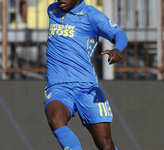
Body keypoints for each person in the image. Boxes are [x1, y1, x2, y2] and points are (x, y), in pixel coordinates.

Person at [44, 0, 128, 150]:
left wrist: (118, 48)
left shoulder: (92, 15)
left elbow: (119, 33)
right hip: (58, 87)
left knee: (105, 145)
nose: (60, 0)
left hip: (87, 87)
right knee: (55, 119)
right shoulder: (52, 10)